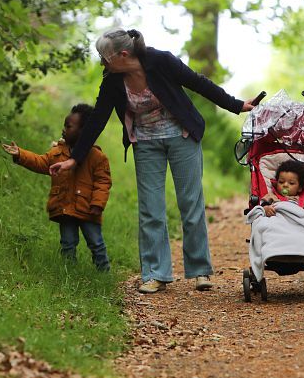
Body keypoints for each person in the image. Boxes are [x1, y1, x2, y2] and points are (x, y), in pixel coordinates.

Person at [49, 29, 258, 294]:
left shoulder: (161, 61)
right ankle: (155, 273)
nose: (102, 63)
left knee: (190, 203)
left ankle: (200, 271)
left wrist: (236, 105)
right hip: (145, 143)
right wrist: (74, 158)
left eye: (104, 57)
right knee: (151, 209)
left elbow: (198, 82)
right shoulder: (113, 80)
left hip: (182, 136)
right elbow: (97, 119)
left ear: (123, 55)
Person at [2, 103, 111, 271]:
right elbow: (41, 162)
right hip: (65, 207)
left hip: (88, 209)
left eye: (69, 126)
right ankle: (69, 272)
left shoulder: (96, 156)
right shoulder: (57, 153)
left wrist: (97, 203)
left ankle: (103, 272)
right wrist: (20, 154)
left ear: (84, 131)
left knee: (96, 243)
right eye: (64, 126)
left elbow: (103, 182)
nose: (64, 130)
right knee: (67, 243)